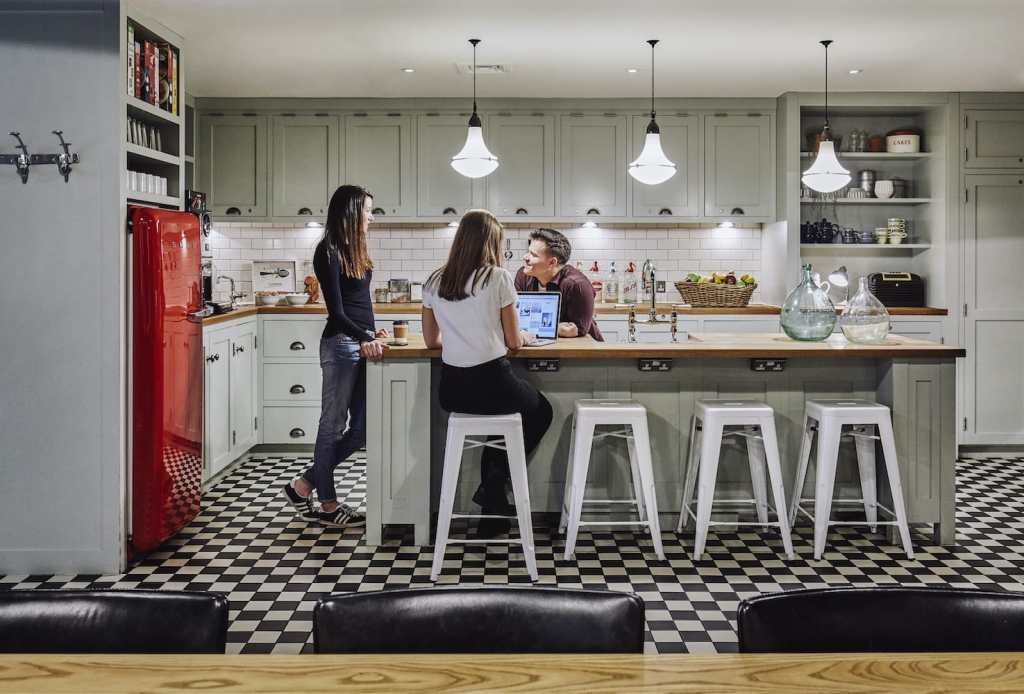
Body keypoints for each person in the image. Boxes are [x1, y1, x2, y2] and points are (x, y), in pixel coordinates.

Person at [422, 210, 553, 538]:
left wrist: (461, 337)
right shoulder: (497, 278)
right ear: (491, 243)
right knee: (540, 412)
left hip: (452, 389)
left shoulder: (435, 280)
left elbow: (430, 340)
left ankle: (491, 505)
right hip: (493, 383)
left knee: (500, 430)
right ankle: (491, 486)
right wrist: (519, 337)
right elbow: (513, 342)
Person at [282, 185, 390, 528]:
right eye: (367, 210)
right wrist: (365, 336)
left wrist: (374, 333)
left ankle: (304, 485)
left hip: (360, 343)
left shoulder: (356, 250)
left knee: (361, 430)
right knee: (332, 425)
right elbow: (337, 312)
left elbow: (361, 305)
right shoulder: (327, 251)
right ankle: (328, 505)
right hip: (342, 345)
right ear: (351, 212)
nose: (372, 217)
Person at [515, 228, 603, 341]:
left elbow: (579, 329)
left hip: (582, 351)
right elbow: (515, 317)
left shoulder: (577, 285)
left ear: (552, 262)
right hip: (539, 344)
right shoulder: (523, 275)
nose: (525, 257)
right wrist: (553, 327)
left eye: (533, 255)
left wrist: (531, 326)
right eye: (528, 252)